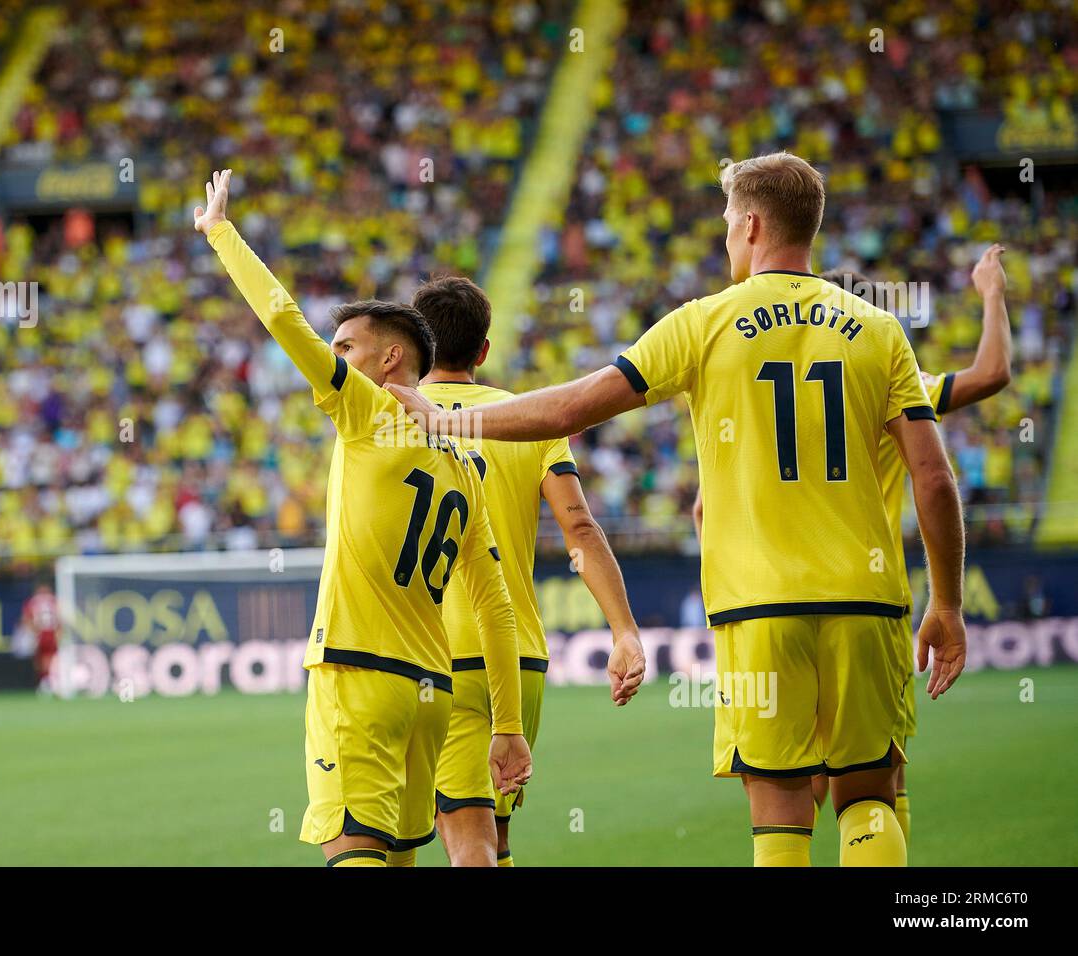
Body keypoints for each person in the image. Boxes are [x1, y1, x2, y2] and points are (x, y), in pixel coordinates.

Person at [387, 152, 967, 867]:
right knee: (869, 798)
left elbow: (572, 407)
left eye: (728, 223)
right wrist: (948, 602)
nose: (726, 238)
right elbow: (934, 480)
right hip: (869, 601)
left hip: (759, 608)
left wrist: (452, 422)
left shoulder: (703, 323)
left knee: (781, 813)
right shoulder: (879, 331)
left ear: (752, 224)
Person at [194, 170, 531, 867]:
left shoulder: (367, 411)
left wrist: (220, 234)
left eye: (345, 347)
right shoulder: (463, 465)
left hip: (357, 677)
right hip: (430, 696)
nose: (334, 356)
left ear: (390, 358)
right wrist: (509, 727)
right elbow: (495, 606)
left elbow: (284, 319)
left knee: (353, 854)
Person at [693, 243, 1011, 847]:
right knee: (876, 784)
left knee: (787, 793)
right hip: (866, 594)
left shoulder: (742, 374)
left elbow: (705, 508)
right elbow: (989, 379)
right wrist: (992, 295)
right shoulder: (894, 373)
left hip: (766, 598)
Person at [412, 274, 645, 866]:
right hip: (517, 655)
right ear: (484, 351)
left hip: (429, 651)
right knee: (496, 834)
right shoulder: (529, 420)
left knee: (462, 838)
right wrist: (623, 631)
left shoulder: (393, 419)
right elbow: (581, 530)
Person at [22, 582, 61, 694]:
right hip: (52, 633)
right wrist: (59, 632)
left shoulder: (32, 602)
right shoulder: (55, 600)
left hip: (41, 634)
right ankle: (49, 682)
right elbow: (60, 617)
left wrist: (33, 632)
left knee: (42, 660)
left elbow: (26, 619)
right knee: (50, 659)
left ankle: (46, 682)